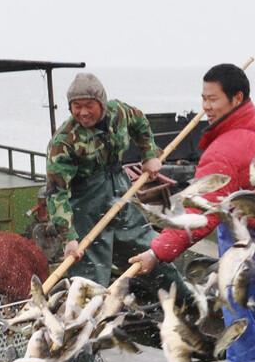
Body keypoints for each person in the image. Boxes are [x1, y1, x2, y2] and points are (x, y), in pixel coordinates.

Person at [130, 63, 255, 362]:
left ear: (236, 98)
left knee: (242, 339)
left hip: (243, 247)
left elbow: (198, 216)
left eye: (212, 99)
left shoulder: (223, 150)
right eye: (203, 98)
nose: (205, 106)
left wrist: (156, 252)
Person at [45, 73, 179, 289]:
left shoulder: (119, 112)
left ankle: (180, 297)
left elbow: (140, 123)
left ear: (102, 103)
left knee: (145, 244)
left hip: (121, 188)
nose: (83, 112)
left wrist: (149, 154)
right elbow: (56, 193)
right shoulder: (63, 142)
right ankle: (89, 317)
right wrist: (68, 238)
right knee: (91, 267)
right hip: (86, 203)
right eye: (76, 106)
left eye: (89, 104)